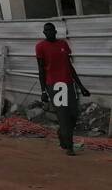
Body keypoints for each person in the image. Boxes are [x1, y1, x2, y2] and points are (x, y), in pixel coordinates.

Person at [36, 22, 91, 156]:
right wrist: (43, 91)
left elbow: (70, 67)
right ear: (44, 33)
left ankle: (62, 133)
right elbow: (41, 70)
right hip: (54, 85)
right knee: (63, 115)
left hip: (68, 83)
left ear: (55, 31)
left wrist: (81, 86)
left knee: (73, 114)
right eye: (46, 31)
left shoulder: (63, 44)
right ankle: (69, 146)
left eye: (51, 30)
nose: (49, 32)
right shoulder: (40, 47)